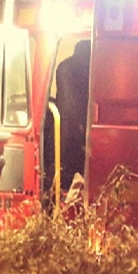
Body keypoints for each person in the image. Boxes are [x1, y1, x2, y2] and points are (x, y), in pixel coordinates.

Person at [53, 39, 90, 192]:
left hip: (63, 128)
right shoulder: (90, 68)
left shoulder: (63, 67)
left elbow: (65, 101)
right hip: (78, 131)